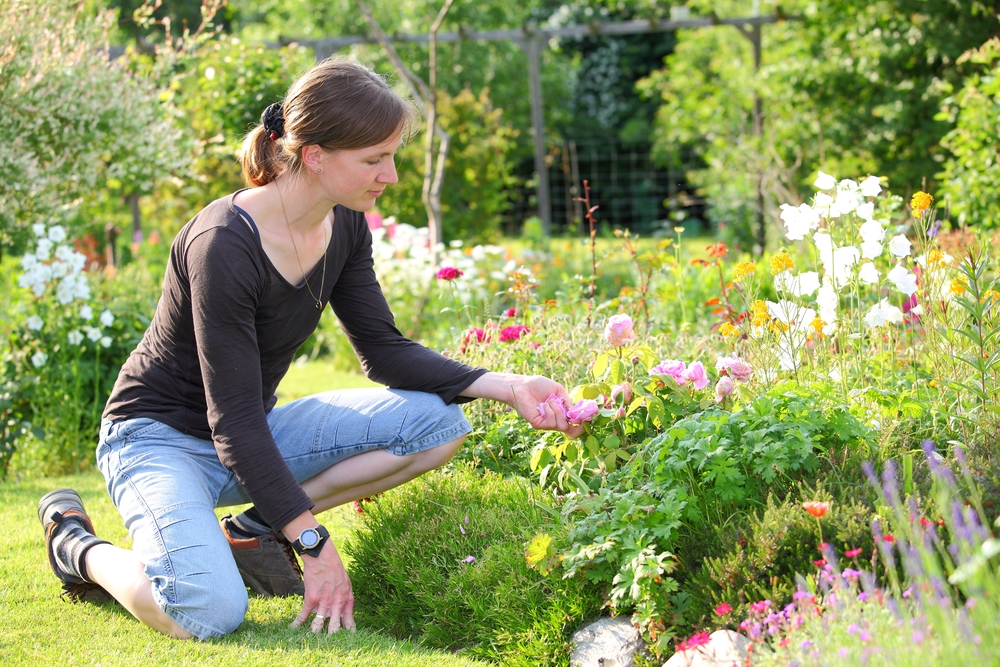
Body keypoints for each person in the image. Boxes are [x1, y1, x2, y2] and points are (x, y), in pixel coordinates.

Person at [37, 57, 583, 640]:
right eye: (375, 159)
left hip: (249, 435)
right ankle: (78, 547)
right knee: (207, 611)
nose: (391, 176)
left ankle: (253, 530)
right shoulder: (221, 245)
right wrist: (315, 542)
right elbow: (234, 420)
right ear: (316, 155)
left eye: (392, 156)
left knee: (437, 424)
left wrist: (507, 385)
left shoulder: (344, 225)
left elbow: (383, 350)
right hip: (156, 440)